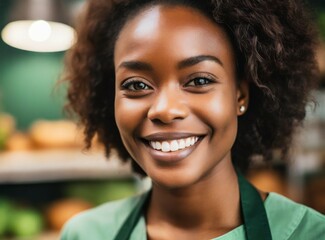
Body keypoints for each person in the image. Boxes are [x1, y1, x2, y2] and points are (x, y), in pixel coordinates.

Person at [60, 0, 325, 239]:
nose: (164, 110)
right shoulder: (85, 234)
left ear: (240, 96)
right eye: (137, 85)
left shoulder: (310, 234)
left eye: (199, 80)